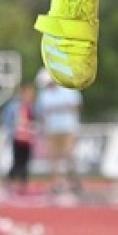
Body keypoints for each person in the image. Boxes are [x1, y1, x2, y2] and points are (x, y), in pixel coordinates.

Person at [33, 69, 84, 197]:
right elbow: (43, 113)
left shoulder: (68, 90)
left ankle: (74, 181)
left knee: (69, 155)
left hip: (68, 129)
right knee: (53, 158)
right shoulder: (44, 95)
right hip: (52, 130)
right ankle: (57, 183)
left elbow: (76, 107)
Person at [6, 80, 37, 194]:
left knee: (26, 162)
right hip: (18, 138)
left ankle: (23, 185)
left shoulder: (33, 106)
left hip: (28, 139)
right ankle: (11, 182)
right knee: (17, 162)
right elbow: (9, 120)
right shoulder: (16, 106)